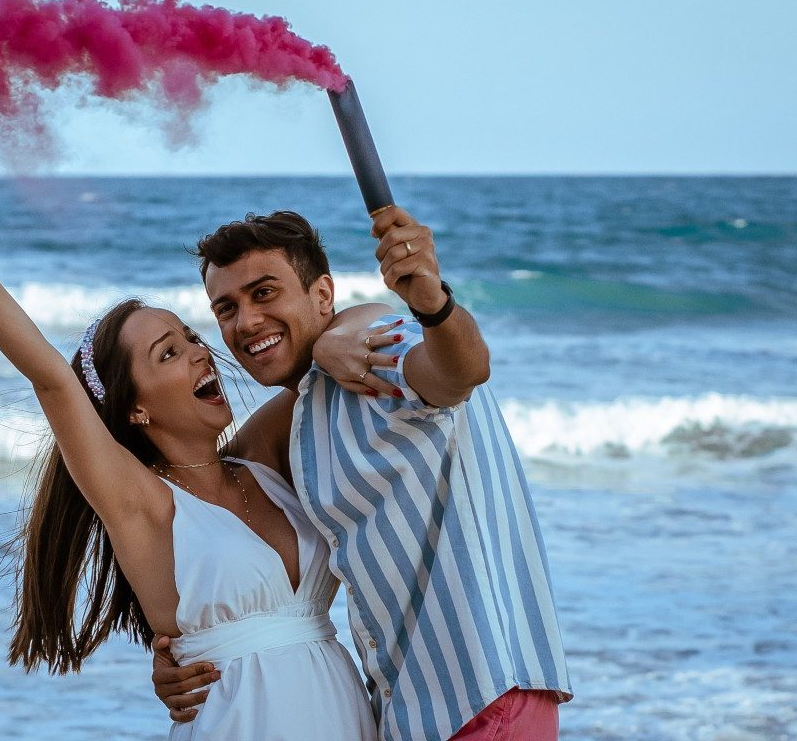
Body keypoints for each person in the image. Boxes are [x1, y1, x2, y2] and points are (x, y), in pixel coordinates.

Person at [0, 194, 379, 741]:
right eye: (169, 354)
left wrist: (341, 333)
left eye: (193, 338)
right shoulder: (142, 504)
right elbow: (52, 378)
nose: (201, 353)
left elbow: (323, 347)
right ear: (135, 409)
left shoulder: (262, 461)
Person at [151, 208, 573, 741]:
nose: (246, 322)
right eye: (226, 307)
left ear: (323, 295)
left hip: (482, 694)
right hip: (412, 710)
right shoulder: (299, 417)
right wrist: (183, 651)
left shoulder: (375, 345)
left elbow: (461, 372)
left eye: (264, 293)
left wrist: (433, 305)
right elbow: (202, 514)